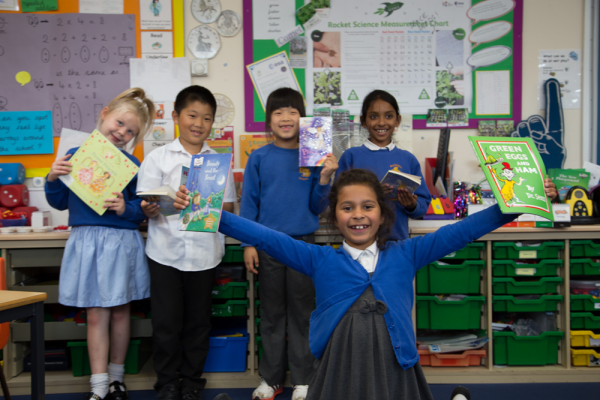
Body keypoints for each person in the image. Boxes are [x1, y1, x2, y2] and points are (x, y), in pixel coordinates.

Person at [174, 168, 519, 400]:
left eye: (368, 206)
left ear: (383, 214)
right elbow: (265, 237)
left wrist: (516, 206)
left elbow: (464, 231)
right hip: (339, 372)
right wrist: (211, 213)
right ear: (334, 215)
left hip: (394, 373)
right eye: (347, 207)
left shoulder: (407, 253)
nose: (358, 215)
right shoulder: (319, 259)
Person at [45, 88, 155, 400]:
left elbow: (141, 209)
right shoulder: (75, 154)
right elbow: (60, 202)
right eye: (119, 123)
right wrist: (52, 177)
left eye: (130, 131)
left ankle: (117, 380)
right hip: (88, 240)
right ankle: (98, 385)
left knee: (121, 312)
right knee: (96, 315)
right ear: (105, 113)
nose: (121, 132)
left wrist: (126, 208)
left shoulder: (132, 164)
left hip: (120, 242)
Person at [136, 85, 236, 400]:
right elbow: (146, 206)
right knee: (166, 323)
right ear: (178, 116)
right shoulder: (157, 158)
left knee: (198, 323)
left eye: (207, 118)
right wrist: (157, 205)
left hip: (204, 254)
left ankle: (192, 383)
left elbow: (230, 209)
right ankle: (166, 383)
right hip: (164, 253)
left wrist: (210, 200)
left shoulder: (220, 163)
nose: (199, 123)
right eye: (193, 115)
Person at [240, 87, 338, 400]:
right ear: (268, 120)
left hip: (303, 245)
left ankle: (303, 379)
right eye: (278, 112)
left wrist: (324, 179)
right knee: (271, 313)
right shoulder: (259, 157)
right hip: (268, 245)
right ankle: (270, 379)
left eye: (293, 112)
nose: (285, 118)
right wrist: (249, 243)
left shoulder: (312, 155)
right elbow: (249, 206)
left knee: (302, 312)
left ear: (302, 118)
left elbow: (317, 207)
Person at [336, 89, 431, 241]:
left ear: (397, 120)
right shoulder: (351, 156)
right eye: (374, 116)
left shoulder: (408, 159)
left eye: (388, 116)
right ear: (363, 121)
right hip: (357, 242)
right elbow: (337, 200)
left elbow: (422, 205)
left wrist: (411, 205)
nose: (381, 122)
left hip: (397, 241)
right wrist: (372, 193)